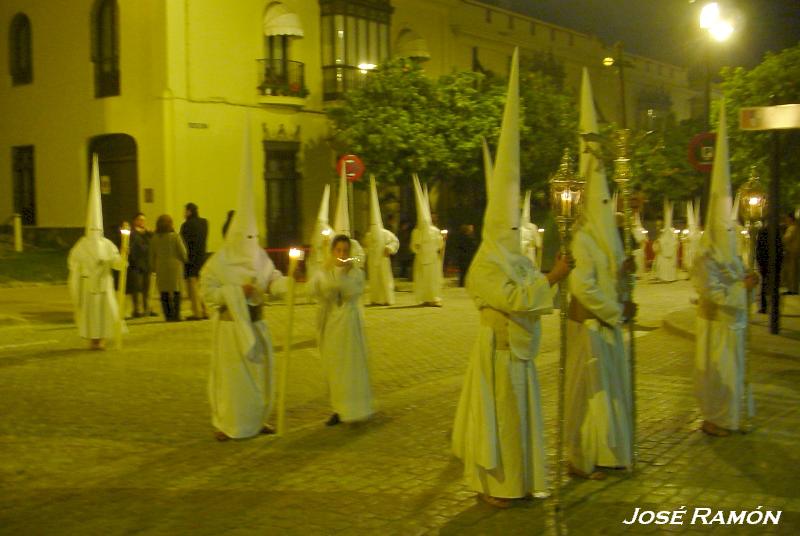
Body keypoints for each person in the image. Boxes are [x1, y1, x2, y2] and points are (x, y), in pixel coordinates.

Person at [453, 49, 572, 507]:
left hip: (521, 355)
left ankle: (521, 481)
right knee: (498, 419)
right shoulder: (485, 262)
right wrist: (552, 277)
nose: (510, 232)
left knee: (519, 419)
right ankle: (493, 486)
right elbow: (512, 297)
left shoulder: (517, 256)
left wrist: (554, 275)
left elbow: (533, 285)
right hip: (496, 356)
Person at [565, 69, 636, 480]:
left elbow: (614, 277)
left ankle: (609, 452)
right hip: (592, 326)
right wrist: (615, 309)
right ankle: (583, 454)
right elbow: (584, 287)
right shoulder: (582, 240)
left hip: (608, 326)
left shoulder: (609, 238)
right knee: (588, 394)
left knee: (612, 393)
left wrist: (625, 273)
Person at [201, 123, 288, 441]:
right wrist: (239, 292)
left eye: (255, 236)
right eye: (246, 236)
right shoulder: (219, 262)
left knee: (261, 375)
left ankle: (258, 419)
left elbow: (273, 280)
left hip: (257, 325)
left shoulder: (259, 256)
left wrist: (283, 286)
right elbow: (207, 294)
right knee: (233, 379)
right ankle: (229, 422)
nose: (251, 241)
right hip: (229, 331)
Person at [692, 100, 759, 437]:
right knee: (717, 373)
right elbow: (712, 292)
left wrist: (751, 281)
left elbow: (740, 280)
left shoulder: (732, 250)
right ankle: (715, 418)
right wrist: (741, 289)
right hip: (717, 326)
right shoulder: (705, 255)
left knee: (734, 371)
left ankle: (732, 418)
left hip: (734, 325)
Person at [309, 235, 374, 426]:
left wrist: (341, 278)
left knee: (351, 365)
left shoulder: (356, 272)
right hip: (331, 322)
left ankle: (356, 408)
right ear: (333, 251)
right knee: (335, 366)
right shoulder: (325, 271)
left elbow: (353, 291)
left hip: (349, 322)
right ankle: (338, 409)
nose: (342, 254)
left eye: (345, 251)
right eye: (338, 250)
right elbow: (312, 291)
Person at [68, 155, 125, 350]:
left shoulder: (108, 244)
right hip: (88, 286)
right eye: (92, 229)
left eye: (97, 230)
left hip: (103, 285)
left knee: (104, 312)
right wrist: (82, 270)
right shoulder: (82, 245)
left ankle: (101, 338)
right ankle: (93, 339)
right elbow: (72, 262)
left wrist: (121, 257)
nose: (94, 233)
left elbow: (117, 261)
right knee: (91, 314)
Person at [364, 175, 400, 305]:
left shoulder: (386, 233)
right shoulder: (368, 235)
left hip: (383, 260)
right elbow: (366, 247)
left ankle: (386, 298)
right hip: (373, 261)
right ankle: (375, 299)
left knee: (385, 279)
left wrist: (389, 248)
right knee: (374, 280)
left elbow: (395, 242)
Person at [411, 174, 444, 306]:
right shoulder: (416, 231)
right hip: (421, 259)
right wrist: (416, 247)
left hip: (432, 259)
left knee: (433, 279)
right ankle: (424, 298)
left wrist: (441, 245)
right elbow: (414, 245)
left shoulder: (435, 231)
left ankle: (433, 298)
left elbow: (439, 243)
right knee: (422, 279)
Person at [150, 214, 188, 322]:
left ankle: (168, 315)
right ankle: (176, 315)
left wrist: (153, 267)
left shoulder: (154, 238)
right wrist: (184, 260)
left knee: (164, 292)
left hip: (160, 267)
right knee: (176, 291)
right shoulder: (175, 236)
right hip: (175, 267)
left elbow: (151, 254)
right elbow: (183, 252)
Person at [181, 202, 209, 320]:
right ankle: (205, 310)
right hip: (202, 257)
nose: (183, 213)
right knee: (201, 287)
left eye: (184, 211)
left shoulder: (186, 225)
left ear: (189, 211)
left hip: (190, 259)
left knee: (193, 288)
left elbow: (183, 242)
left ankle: (197, 312)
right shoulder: (204, 223)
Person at [127, 212, 155, 318]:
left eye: (144, 220)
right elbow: (138, 247)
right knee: (136, 288)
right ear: (135, 221)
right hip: (136, 264)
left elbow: (153, 245)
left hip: (147, 264)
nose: (142, 222)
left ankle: (147, 308)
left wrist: (150, 233)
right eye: (140, 219)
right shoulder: (132, 233)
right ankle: (137, 310)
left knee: (146, 289)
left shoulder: (148, 233)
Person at [755, 221, 784, 313]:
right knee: (775, 285)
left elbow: (759, 248)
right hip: (775, 262)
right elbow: (780, 248)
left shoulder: (762, 231)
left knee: (764, 284)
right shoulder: (777, 232)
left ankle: (764, 307)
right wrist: (780, 262)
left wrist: (759, 262)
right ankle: (775, 308)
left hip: (764, 262)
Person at [653, 200, 678, 282]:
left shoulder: (671, 234)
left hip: (668, 254)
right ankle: (662, 276)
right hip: (662, 254)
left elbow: (673, 243)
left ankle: (668, 277)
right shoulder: (662, 234)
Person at [782, 212, 799, 295]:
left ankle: (792, 289)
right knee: (794, 271)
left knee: (791, 272)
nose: (785, 220)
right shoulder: (796, 227)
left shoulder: (791, 228)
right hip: (795, 252)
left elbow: (786, 239)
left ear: (790, 219)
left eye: (787, 218)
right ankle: (793, 289)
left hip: (791, 253)